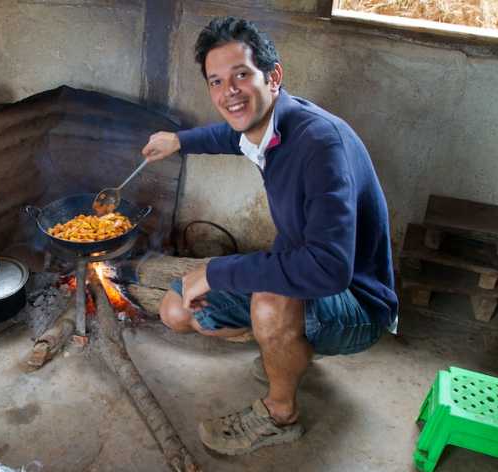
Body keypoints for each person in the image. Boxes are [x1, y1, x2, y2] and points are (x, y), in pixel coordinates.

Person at [141, 17, 398, 455]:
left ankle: (281, 414)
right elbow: (230, 133)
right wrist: (178, 141)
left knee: (269, 301)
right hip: (313, 275)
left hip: (358, 300)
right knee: (176, 310)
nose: (229, 92)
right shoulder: (265, 125)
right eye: (216, 81)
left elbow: (329, 269)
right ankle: (283, 347)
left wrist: (217, 272)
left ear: (273, 76)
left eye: (242, 75)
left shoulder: (320, 144)